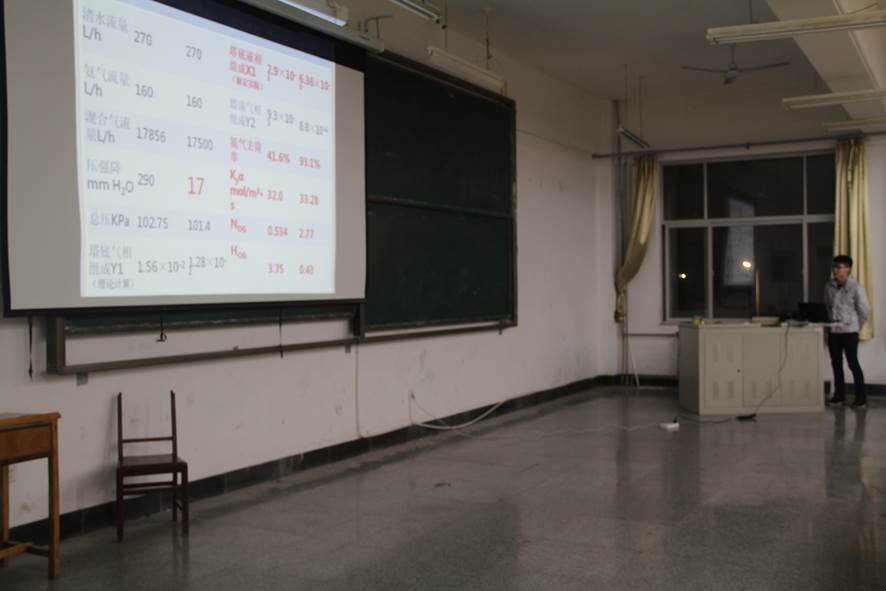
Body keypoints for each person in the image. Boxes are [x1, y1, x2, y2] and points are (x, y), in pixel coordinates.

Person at [824, 255, 870, 408]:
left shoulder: (856, 287)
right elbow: (827, 306)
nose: (835, 270)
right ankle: (839, 396)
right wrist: (829, 327)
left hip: (850, 332)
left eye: (839, 267)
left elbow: (864, 311)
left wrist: (856, 326)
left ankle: (861, 399)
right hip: (834, 331)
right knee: (836, 364)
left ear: (848, 269)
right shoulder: (829, 286)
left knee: (852, 363)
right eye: (834, 267)